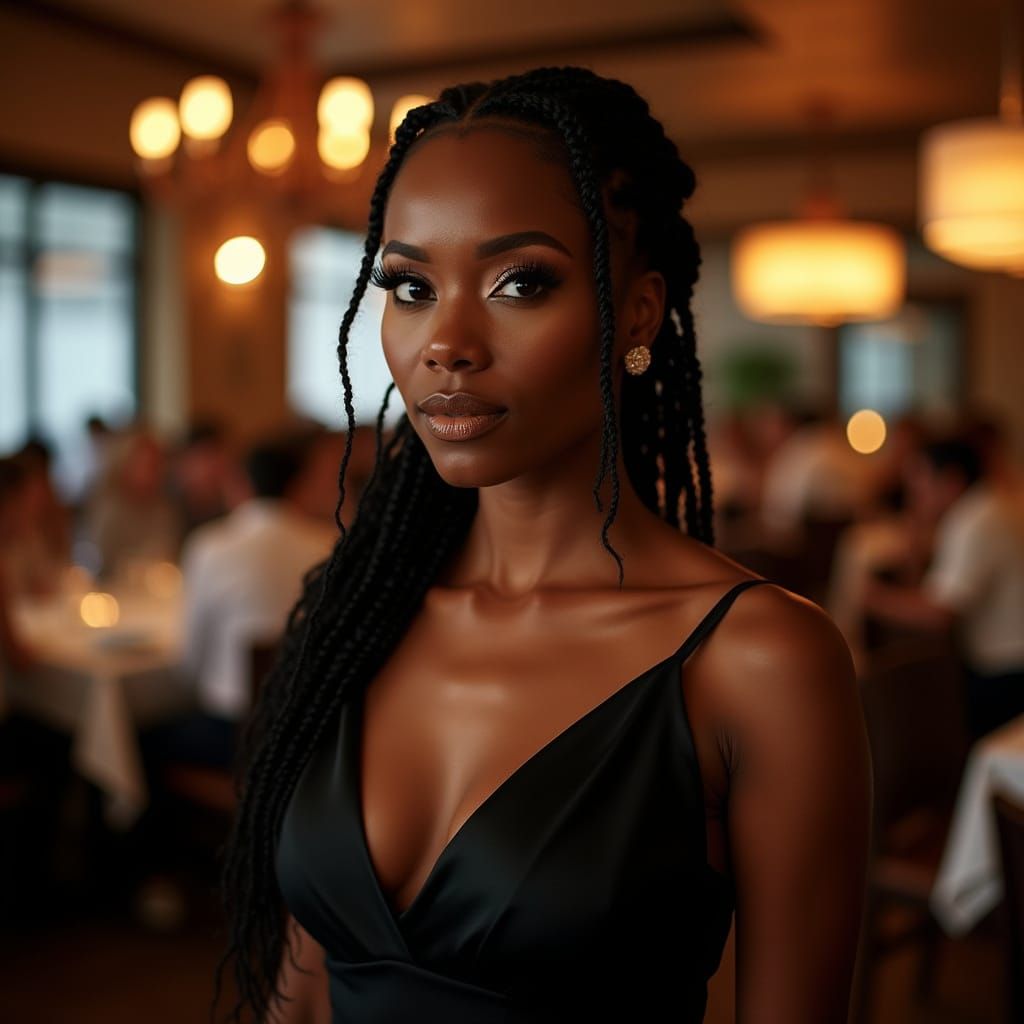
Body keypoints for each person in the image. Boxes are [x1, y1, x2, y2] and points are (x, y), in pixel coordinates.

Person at [220, 68, 871, 1024]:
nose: (447, 342)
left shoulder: (759, 661)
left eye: (519, 281)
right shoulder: (362, 611)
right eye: (409, 285)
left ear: (638, 313)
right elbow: (304, 987)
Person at [152, 434, 336, 771]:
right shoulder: (329, 544)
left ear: (243, 484)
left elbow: (189, 661)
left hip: (234, 733)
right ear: (298, 485)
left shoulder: (210, 545)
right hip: (315, 732)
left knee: (143, 735)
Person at [865, 432, 1024, 738]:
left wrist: (874, 598)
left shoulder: (974, 521)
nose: (913, 494)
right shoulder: (993, 503)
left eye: (919, 482)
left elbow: (938, 613)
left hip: (1005, 673)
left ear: (950, 481)